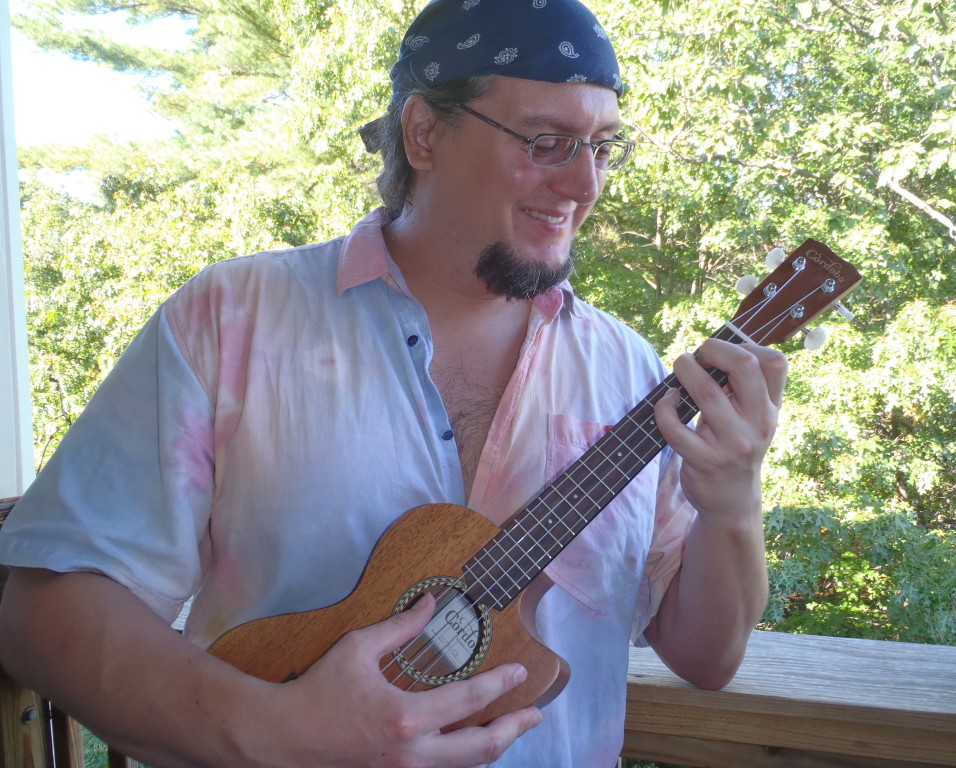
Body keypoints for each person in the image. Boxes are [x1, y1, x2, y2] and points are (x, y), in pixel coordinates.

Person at [0, 0, 787, 765]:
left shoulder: (629, 371)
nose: (584, 184)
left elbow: (707, 657)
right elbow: (43, 612)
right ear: (423, 133)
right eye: (547, 142)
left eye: (603, 147)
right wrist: (273, 731)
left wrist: (733, 501)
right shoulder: (232, 319)